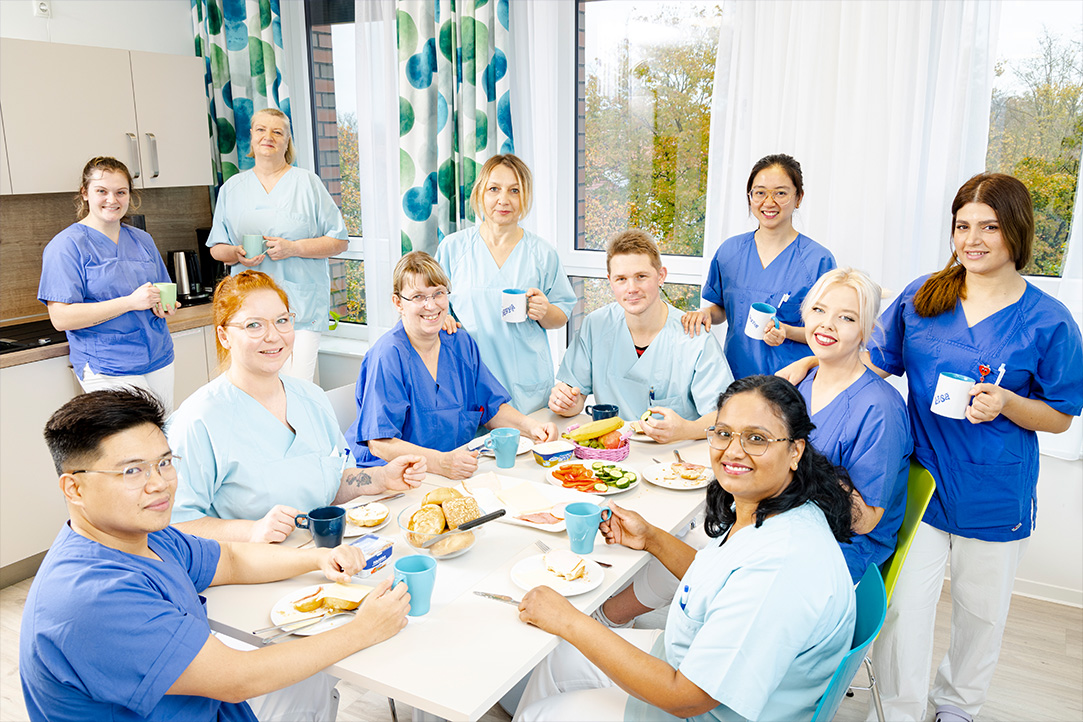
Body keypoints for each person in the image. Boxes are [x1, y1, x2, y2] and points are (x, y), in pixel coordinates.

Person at [781, 173, 1083, 722]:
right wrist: (810, 363)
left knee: (980, 613)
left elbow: (1061, 417)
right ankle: (897, 710)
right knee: (903, 611)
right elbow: (869, 360)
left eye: (989, 227)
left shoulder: (1048, 319)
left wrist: (1008, 404)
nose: (973, 239)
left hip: (995, 491)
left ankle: (958, 707)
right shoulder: (924, 297)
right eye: (963, 225)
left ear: (1016, 231)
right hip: (922, 484)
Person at [20, 388, 411, 722]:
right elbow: (237, 677)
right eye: (132, 472)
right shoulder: (93, 596)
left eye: (164, 463)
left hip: (203, 704)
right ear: (73, 489)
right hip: (212, 696)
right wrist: (365, 629)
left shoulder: (144, 537)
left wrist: (315, 560)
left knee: (310, 678)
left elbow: (230, 560)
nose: (159, 484)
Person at [513, 375, 856, 721]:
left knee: (541, 712)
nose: (733, 451)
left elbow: (685, 698)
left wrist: (568, 620)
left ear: (794, 450)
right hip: (688, 662)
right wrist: (651, 538)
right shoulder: (779, 508)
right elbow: (724, 579)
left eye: (756, 439)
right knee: (557, 662)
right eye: (724, 433)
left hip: (696, 707)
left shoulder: (780, 567)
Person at [167, 270, 424, 543]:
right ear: (224, 336)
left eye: (281, 321)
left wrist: (382, 478)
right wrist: (251, 531)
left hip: (326, 556)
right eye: (254, 325)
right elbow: (175, 523)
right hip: (250, 572)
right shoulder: (199, 419)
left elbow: (332, 484)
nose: (273, 336)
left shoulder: (312, 398)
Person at [347, 252, 557, 480]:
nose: (430, 305)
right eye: (418, 297)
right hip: (393, 478)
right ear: (398, 302)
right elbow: (380, 443)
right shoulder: (388, 356)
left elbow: (490, 407)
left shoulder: (460, 344)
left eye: (438, 293)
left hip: (449, 472)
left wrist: (532, 427)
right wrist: (441, 463)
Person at [549, 230, 733, 443]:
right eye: (621, 279)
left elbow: (723, 417)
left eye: (641, 277)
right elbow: (575, 396)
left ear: (661, 276)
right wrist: (566, 404)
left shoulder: (694, 337)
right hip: (610, 451)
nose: (632, 289)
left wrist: (686, 430)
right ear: (610, 281)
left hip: (675, 457)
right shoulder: (595, 325)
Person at [207, 107, 348, 382]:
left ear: (287, 141)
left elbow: (338, 241)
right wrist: (235, 253)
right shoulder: (232, 189)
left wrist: (293, 248)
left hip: (300, 311)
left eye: (277, 131)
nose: (267, 136)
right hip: (248, 312)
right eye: (261, 129)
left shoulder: (308, 184)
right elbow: (216, 247)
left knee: (295, 390)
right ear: (251, 136)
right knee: (254, 392)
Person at [435, 154, 577, 413]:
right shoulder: (453, 248)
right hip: (470, 380)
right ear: (480, 194)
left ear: (525, 196)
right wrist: (442, 317)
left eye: (514, 190)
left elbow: (561, 316)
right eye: (494, 189)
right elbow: (432, 303)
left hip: (526, 385)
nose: (504, 199)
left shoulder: (542, 253)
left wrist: (545, 311)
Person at [796, 267, 912, 582]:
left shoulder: (879, 409)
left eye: (846, 318)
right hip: (795, 526)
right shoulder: (801, 383)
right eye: (819, 310)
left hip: (845, 548)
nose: (826, 325)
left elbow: (864, 521)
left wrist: (795, 457)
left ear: (867, 331)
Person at [38, 156, 178, 412]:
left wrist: (165, 306)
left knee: (163, 435)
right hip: (108, 364)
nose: (112, 200)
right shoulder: (66, 246)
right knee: (135, 442)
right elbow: (61, 318)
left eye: (120, 192)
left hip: (158, 356)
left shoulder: (142, 239)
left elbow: (161, 291)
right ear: (85, 194)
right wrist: (129, 303)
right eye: (102, 191)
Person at [682, 154, 836, 380]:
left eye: (781, 193)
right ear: (750, 196)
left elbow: (828, 332)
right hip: (736, 377)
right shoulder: (730, 252)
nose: (769, 202)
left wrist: (786, 332)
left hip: (791, 384)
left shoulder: (817, 261)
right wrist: (704, 313)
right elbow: (722, 308)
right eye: (760, 192)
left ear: (798, 198)